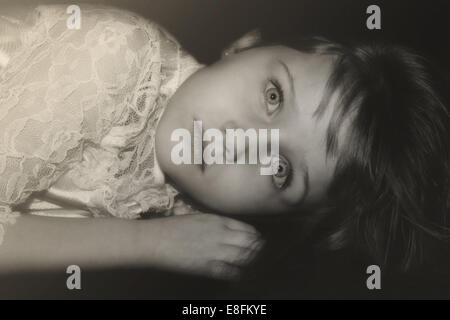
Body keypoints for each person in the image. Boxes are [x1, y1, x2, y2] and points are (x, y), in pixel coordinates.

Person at [0, 4, 448, 279]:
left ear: (276, 215)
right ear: (244, 45)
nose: (243, 142)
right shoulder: (117, 59)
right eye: (273, 96)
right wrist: (150, 244)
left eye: (281, 170)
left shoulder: (183, 204)